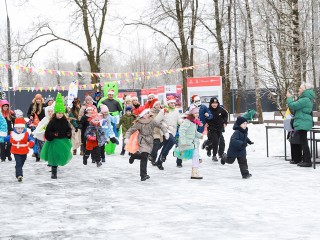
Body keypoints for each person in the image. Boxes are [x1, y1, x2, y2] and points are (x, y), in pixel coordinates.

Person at [124, 108, 169, 181]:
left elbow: (161, 125)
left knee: (144, 156)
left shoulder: (152, 121)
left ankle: (134, 155)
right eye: (145, 113)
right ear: (142, 116)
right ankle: (143, 175)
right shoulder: (139, 123)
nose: (147, 114)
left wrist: (165, 132)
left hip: (150, 140)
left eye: (148, 113)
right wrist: (126, 138)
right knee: (144, 156)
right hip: (142, 140)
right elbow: (130, 130)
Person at [40, 93, 72, 179]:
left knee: (60, 156)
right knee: (53, 157)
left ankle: (56, 167)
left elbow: (68, 129)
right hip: (54, 142)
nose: (60, 115)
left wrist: (68, 133)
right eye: (58, 113)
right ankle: (54, 172)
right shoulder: (52, 121)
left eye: (62, 113)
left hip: (63, 141)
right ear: (55, 113)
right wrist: (53, 134)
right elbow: (47, 132)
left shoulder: (65, 121)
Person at [286, 82, 315, 167]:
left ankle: (307, 161)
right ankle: (304, 160)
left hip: (303, 122)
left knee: (304, 142)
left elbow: (293, 105)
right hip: (303, 121)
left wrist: (289, 98)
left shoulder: (305, 99)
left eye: (300, 88)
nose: (299, 89)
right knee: (303, 142)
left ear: (304, 89)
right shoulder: (306, 98)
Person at [155, 96, 183, 170]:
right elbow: (157, 121)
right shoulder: (163, 110)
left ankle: (159, 162)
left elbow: (178, 119)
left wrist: (182, 122)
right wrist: (164, 125)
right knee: (173, 141)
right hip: (165, 130)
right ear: (168, 103)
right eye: (171, 103)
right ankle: (164, 156)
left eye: (174, 103)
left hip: (173, 130)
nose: (173, 104)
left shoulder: (176, 110)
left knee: (167, 146)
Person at [177, 105, 203, 179]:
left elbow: (193, 132)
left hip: (193, 142)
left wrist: (199, 135)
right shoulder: (187, 121)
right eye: (195, 113)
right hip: (188, 142)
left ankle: (194, 172)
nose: (197, 114)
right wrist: (183, 141)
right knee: (195, 156)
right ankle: (194, 173)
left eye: (197, 113)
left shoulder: (194, 122)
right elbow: (182, 130)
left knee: (196, 156)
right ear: (191, 114)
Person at [6, 118, 35, 182]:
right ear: (15, 128)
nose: (20, 130)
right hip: (16, 151)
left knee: (22, 162)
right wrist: (2, 139)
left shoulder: (25, 134)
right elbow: (6, 138)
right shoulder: (12, 134)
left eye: (21, 128)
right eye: (18, 128)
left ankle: (17, 168)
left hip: (24, 151)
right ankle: (19, 175)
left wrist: (31, 143)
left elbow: (31, 139)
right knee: (18, 162)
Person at [205, 97, 228, 162]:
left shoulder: (221, 109)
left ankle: (219, 153)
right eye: (213, 103)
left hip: (219, 128)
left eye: (216, 103)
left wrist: (225, 122)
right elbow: (203, 118)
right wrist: (205, 123)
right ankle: (214, 155)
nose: (214, 104)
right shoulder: (208, 110)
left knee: (220, 141)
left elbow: (225, 115)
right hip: (211, 128)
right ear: (210, 104)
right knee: (215, 140)